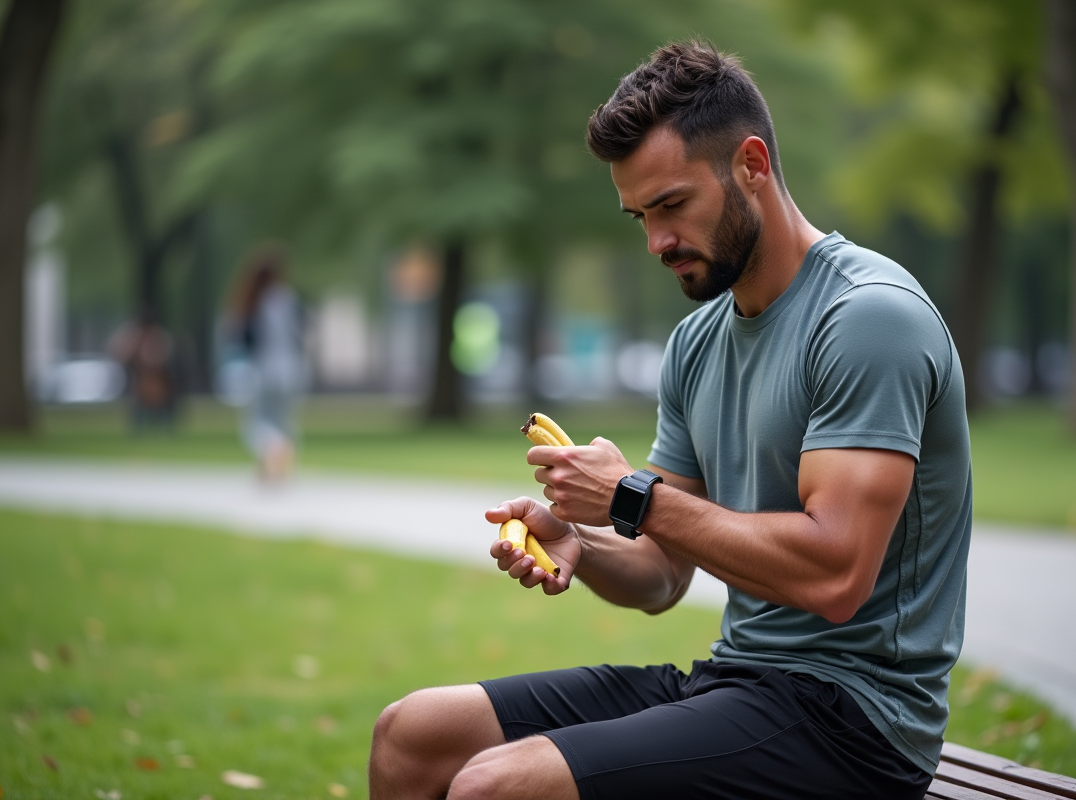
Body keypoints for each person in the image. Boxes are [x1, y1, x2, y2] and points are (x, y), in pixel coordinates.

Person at [369, 40, 972, 800]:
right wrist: (586, 545)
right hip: (738, 681)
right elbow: (661, 574)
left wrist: (632, 498)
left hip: (855, 722)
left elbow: (837, 574)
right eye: (639, 216)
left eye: (673, 205)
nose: (657, 241)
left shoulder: (867, 319)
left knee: (500, 785)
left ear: (751, 163)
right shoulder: (698, 342)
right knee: (413, 733)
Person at [227, 245, 307, 483]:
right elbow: (301, 333)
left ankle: (274, 450)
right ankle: (272, 468)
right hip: (292, 369)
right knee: (283, 420)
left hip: (264, 369)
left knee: (257, 423)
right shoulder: (288, 298)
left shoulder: (253, 300)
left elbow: (241, 338)